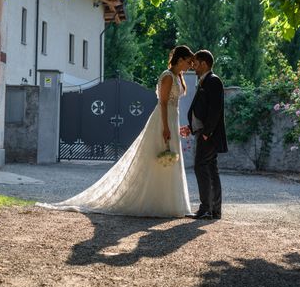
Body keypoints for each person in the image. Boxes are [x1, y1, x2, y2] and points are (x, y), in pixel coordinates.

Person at [37, 46, 194, 218]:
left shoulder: (179, 77)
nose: (190, 65)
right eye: (188, 61)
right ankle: (153, 201)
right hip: (163, 120)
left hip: (171, 118)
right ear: (180, 59)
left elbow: (173, 106)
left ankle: (167, 203)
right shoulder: (167, 76)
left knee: (167, 160)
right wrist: (165, 127)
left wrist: (174, 125)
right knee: (156, 156)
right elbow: (163, 103)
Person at [181, 49, 228, 220]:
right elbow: (202, 111)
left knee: (201, 167)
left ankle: (206, 209)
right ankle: (213, 210)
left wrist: (207, 132)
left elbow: (215, 110)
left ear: (204, 63)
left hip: (209, 135)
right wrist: (191, 127)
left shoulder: (213, 81)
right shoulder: (205, 81)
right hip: (204, 132)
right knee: (210, 168)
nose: (193, 66)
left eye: (195, 63)